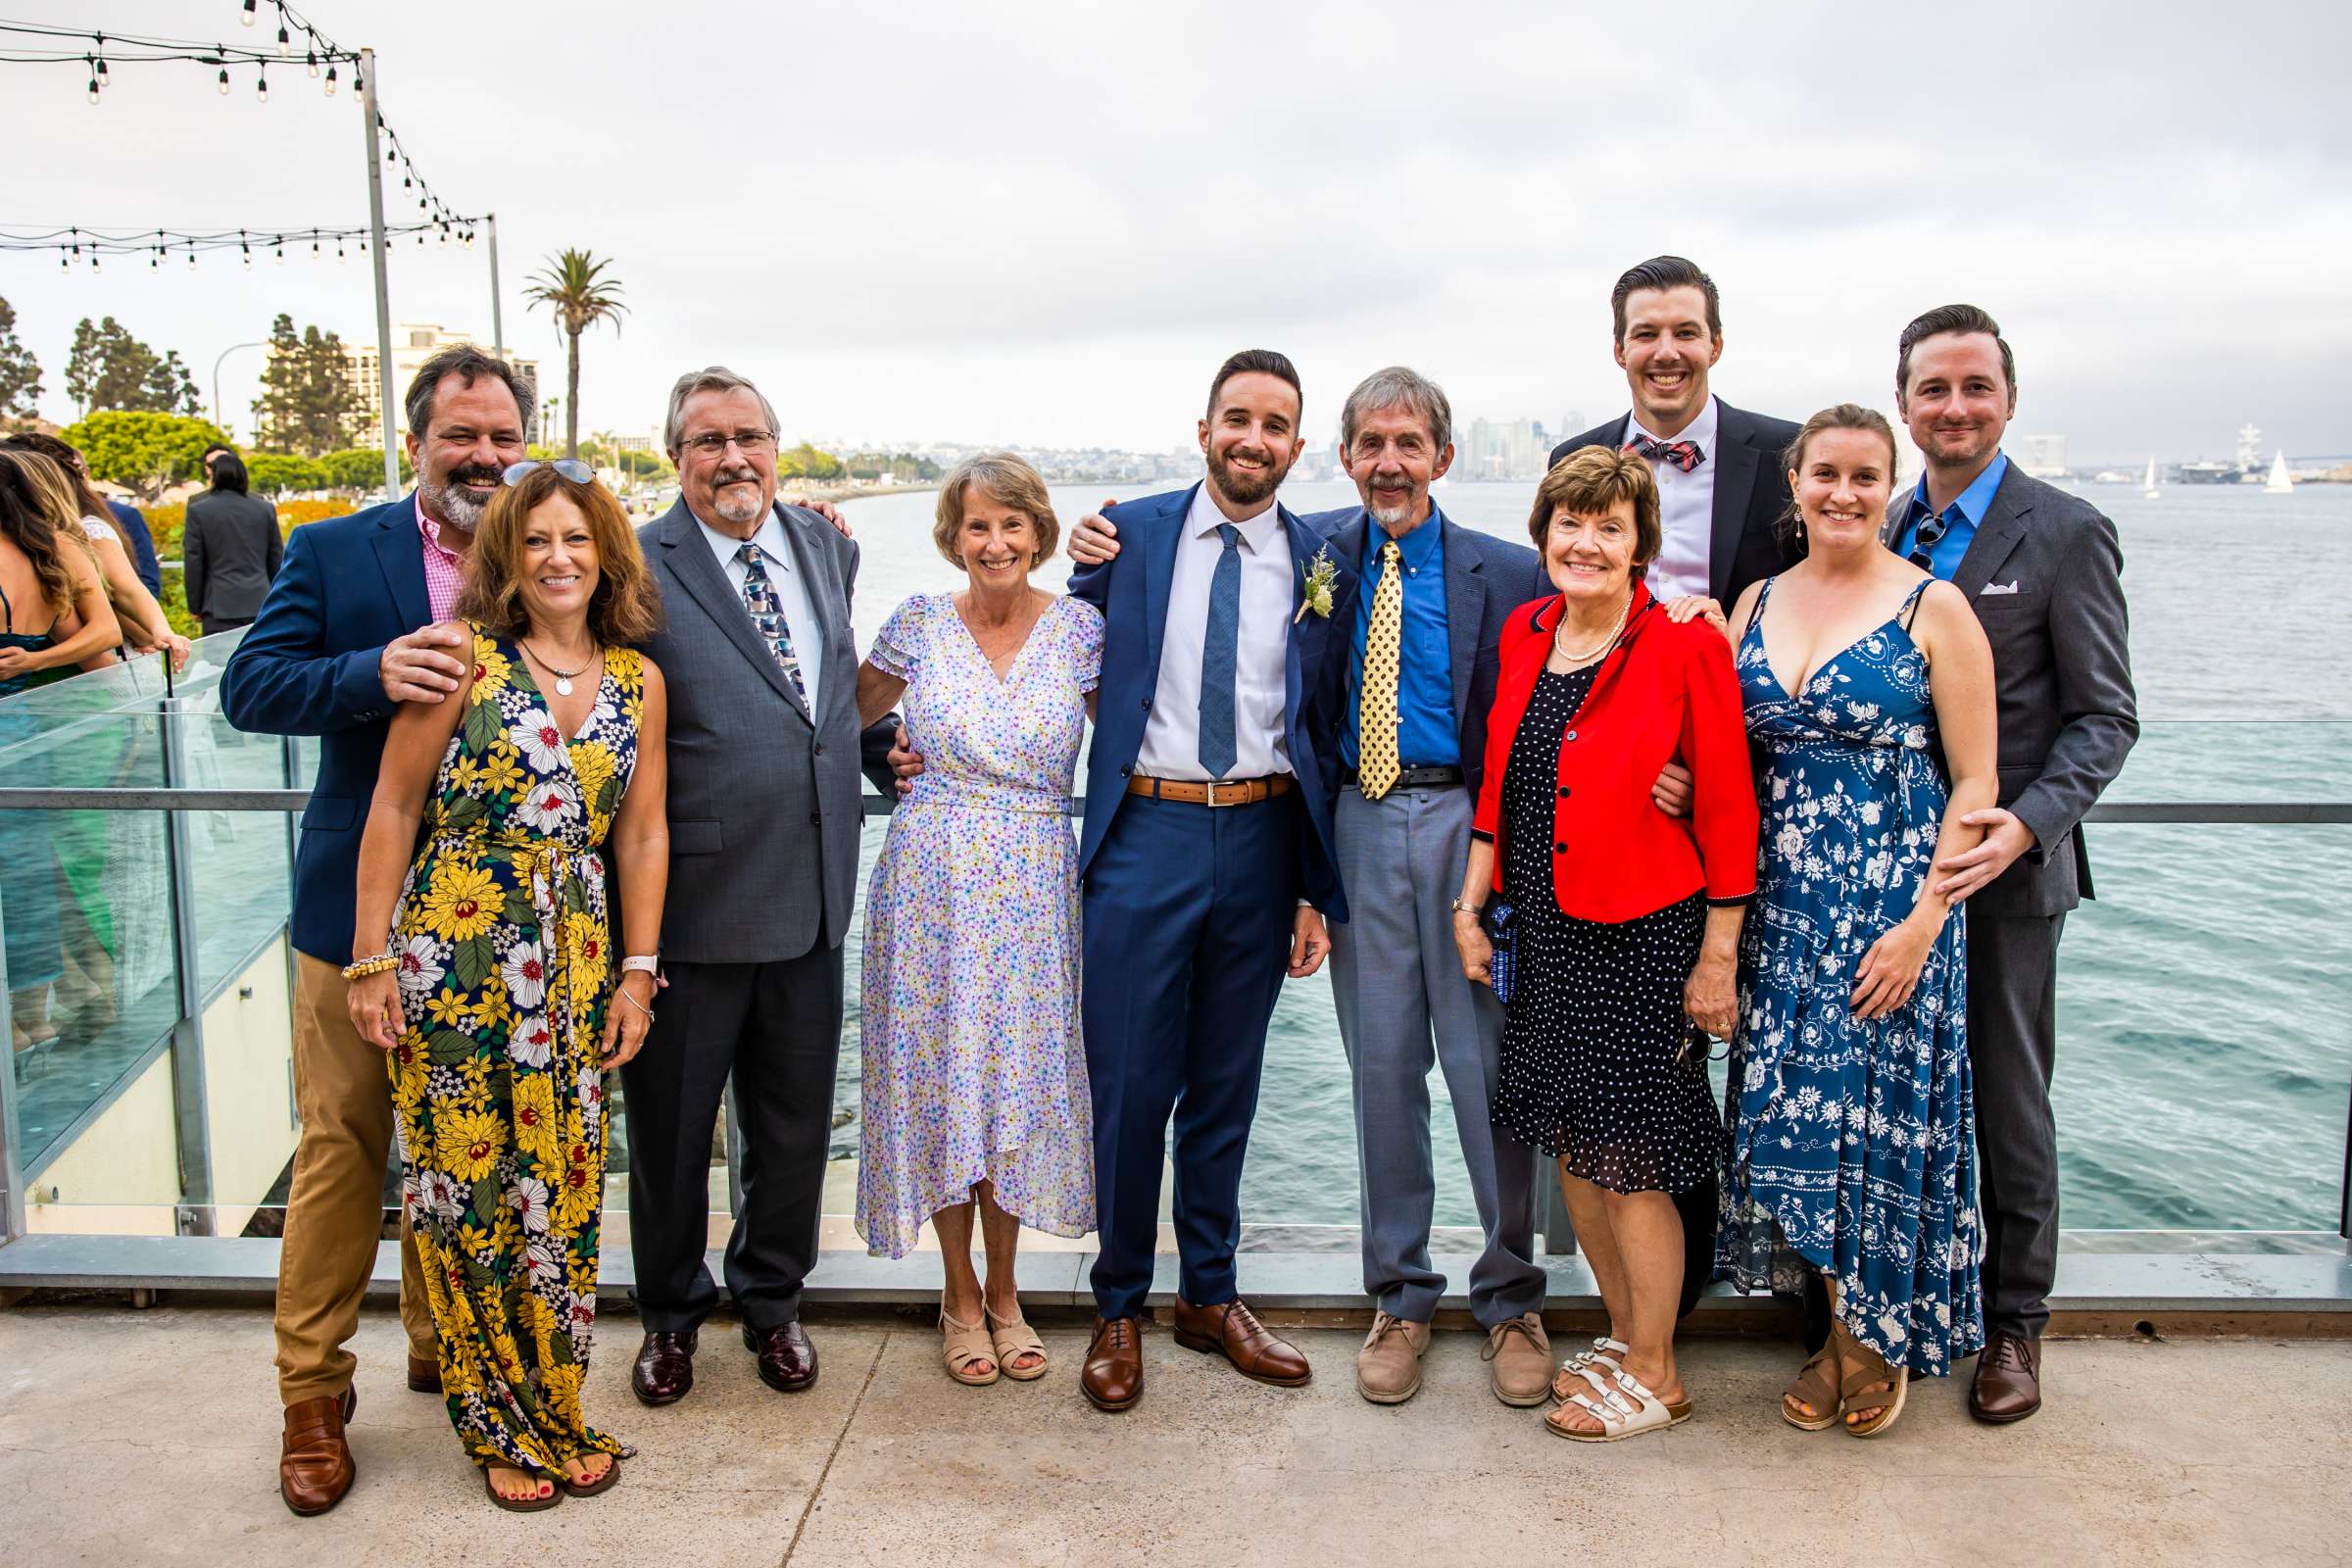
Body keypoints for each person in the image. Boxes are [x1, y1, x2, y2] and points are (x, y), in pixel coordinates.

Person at [222, 343, 536, 1516]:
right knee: (344, 1145)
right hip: (352, 913)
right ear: (417, 442)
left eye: (503, 436)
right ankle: (311, 1393)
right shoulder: (332, 550)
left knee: (465, 1146)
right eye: (462, 435)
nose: (485, 457)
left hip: (499, 924)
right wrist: (370, 669)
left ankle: (437, 1338)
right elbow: (250, 688)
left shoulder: (547, 549)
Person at [345, 461, 667, 1509]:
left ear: (606, 554)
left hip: (574, 965)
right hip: (456, 958)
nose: (558, 558)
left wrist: (637, 975)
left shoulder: (636, 681)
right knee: (469, 1194)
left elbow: (644, 832)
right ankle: (493, 1419)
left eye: (576, 539)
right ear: (507, 560)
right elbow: (393, 809)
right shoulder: (464, 660)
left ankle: (555, 1399)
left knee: (563, 1188)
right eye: (536, 542)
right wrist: (371, 957)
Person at [1451, 446, 1756, 1443]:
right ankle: (1629, 1338)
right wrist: (1471, 900)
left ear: (1639, 546)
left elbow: (1727, 804)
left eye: (1609, 527)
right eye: (1569, 522)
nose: (1585, 542)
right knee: (1576, 1150)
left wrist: (1719, 954)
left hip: (1642, 936)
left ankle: (1662, 1375)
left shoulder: (1680, 642)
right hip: (1544, 933)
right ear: (1544, 533)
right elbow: (1503, 782)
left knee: (1631, 1158)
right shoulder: (1529, 626)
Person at [1065, 349, 1350, 1414]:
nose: (1254, 439)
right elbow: (1055, 657)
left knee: (1229, 1083)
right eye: (1238, 418)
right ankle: (1118, 1305)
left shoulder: (1325, 554)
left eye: (1276, 425)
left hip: (1266, 840)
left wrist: (1314, 886)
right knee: (1132, 1084)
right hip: (1146, 830)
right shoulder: (1126, 531)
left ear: (1296, 445)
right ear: (1203, 428)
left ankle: (1211, 1294)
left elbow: (1320, 726)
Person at [1715, 405, 1998, 1438]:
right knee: (1800, 1119)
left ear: (1891, 487)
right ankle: (1835, 1331)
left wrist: (1926, 921)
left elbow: (1976, 783)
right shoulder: (1753, 600)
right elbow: (1733, 754)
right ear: (1795, 482)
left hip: (1890, 909)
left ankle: (1869, 1347)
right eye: (1825, 472)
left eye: (1866, 476)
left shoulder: (1935, 608)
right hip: (1781, 911)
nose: (1843, 492)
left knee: (1878, 1129)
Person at [1886, 306, 2137, 1423]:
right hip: (1887, 881)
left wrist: (2027, 823)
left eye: (1974, 387)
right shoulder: (1888, 527)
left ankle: (2015, 1328)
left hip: (2008, 881)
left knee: (2007, 1099)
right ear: (1904, 405)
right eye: (1933, 389)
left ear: (2009, 401)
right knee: (1903, 1096)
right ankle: (1892, 1301)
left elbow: (2105, 718)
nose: (1954, 407)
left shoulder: (2067, 531)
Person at [621, 367, 871, 1408]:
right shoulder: (634, 563)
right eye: (709, 440)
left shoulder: (825, 545)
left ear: (778, 444)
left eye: (750, 436)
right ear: (674, 456)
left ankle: (774, 1304)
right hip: (690, 902)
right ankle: (672, 1319)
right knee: (672, 1137)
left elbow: (822, 699)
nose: (734, 457)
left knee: (793, 1127)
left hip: (814, 894)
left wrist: (886, 745)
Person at [851, 452, 1100, 1386]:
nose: (993, 542)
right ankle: (957, 1295)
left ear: (1037, 531)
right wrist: (887, 756)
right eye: (975, 526)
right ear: (952, 538)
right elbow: (835, 717)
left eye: (1010, 524)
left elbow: (1129, 746)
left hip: (1035, 887)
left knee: (1014, 1087)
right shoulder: (917, 625)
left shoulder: (1081, 631)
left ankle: (1008, 1291)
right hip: (930, 886)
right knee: (940, 1080)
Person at [0, 449, 122, 1065]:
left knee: (23, 879)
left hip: (20, 730)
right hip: (31, 728)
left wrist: (28, 661)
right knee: (27, 880)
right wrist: (39, 659)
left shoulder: (41, 551)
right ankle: (33, 1019)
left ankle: (25, 1022)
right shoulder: (52, 552)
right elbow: (106, 634)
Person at [2, 432, 186, 672]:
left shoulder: (71, 537)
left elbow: (126, 591)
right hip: (68, 676)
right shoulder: (39, 545)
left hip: (81, 677)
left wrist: (160, 631)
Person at [183, 450, 284, 636]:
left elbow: (194, 560)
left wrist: (195, 605)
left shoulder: (199, 510)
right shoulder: (264, 509)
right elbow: (276, 557)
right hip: (260, 601)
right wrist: (278, 599)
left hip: (218, 604)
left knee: (219, 663)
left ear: (215, 476)